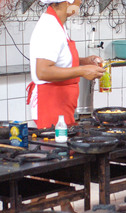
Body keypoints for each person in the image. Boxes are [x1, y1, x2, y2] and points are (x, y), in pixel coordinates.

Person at [27, 0, 105, 129]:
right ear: (67, 3)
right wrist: (82, 71)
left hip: (61, 103)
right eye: (78, 1)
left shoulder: (57, 24)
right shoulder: (49, 27)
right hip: (51, 104)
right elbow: (43, 71)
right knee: (54, 147)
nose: (80, 4)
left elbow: (59, 59)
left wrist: (85, 61)